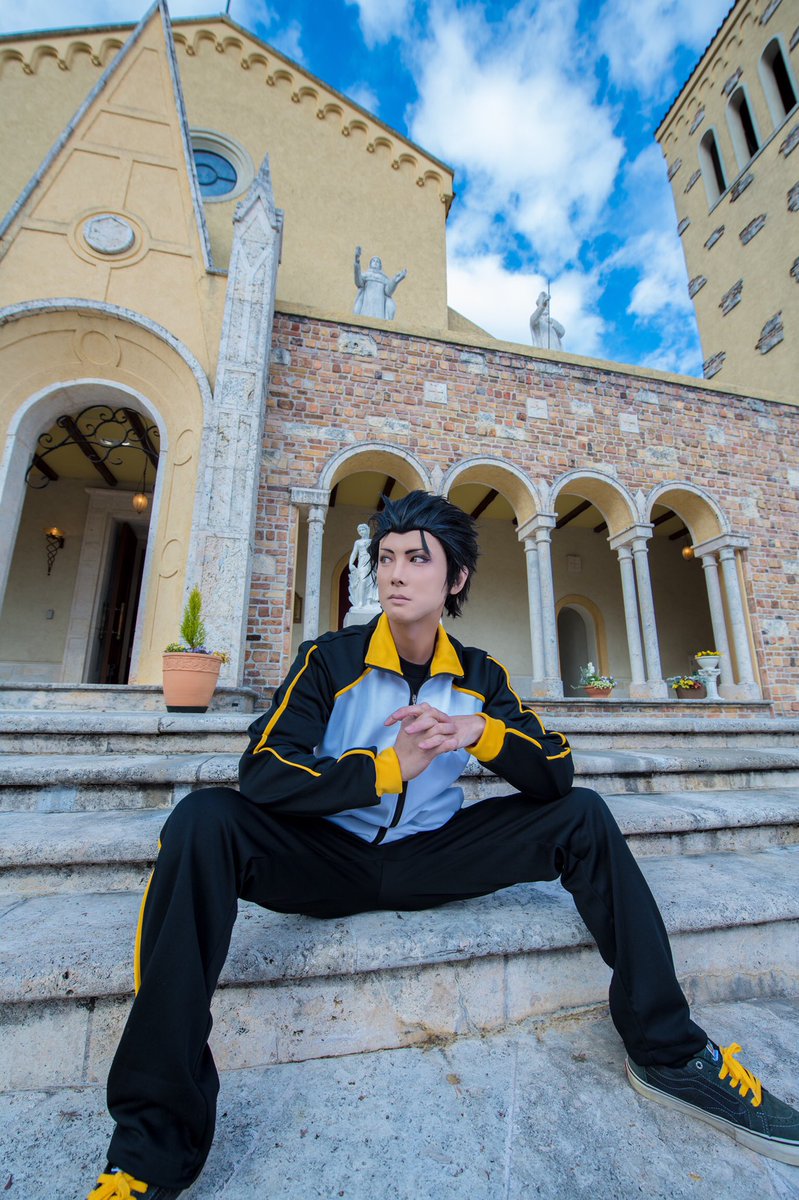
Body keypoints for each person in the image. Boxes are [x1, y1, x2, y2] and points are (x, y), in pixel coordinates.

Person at [89, 491, 799, 1198]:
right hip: (325, 860)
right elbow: (264, 772)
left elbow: (555, 771)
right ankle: (151, 1148)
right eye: (386, 557)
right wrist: (385, 768)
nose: (394, 573)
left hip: (432, 857)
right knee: (202, 819)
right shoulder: (328, 660)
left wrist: (479, 733)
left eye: (416, 559)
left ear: (454, 578)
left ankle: (668, 1052)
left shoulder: (480, 676)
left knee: (582, 814)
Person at [353, 245, 407, 319]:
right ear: (370, 264)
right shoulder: (366, 275)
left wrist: (396, 281)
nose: (375, 262)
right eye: (373, 261)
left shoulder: (384, 278)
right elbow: (358, 282)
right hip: (367, 303)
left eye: (377, 262)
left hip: (379, 306)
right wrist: (357, 261)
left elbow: (388, 292)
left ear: (380, 266)